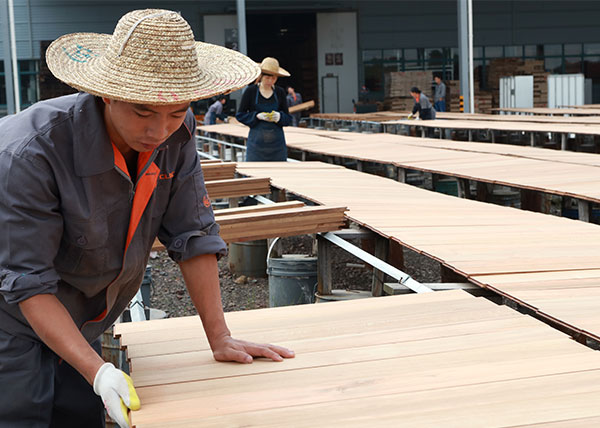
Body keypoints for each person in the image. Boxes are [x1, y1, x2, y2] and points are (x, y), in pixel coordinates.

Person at [0, 9, 294, 428]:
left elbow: (193, 234)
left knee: (78, 414)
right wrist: (97, 371)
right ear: (107, 94)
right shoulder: (30, 154)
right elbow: (26, 281)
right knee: (20, 414)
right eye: (143, 112)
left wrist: (220, 337)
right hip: (10, 316)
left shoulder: (177, 131)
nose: (159, 130)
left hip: (82, 316)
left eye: (177, 112)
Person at [236, 57, 293, 161]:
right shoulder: (251, 91)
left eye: (273, 78)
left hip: (277, 147)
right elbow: (240, 115)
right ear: (261, 76)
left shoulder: (280, 92)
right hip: (256, 146)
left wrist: (279, 117)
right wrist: (256, 116)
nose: (270, 81)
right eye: (267, 78)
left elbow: (288, 119)